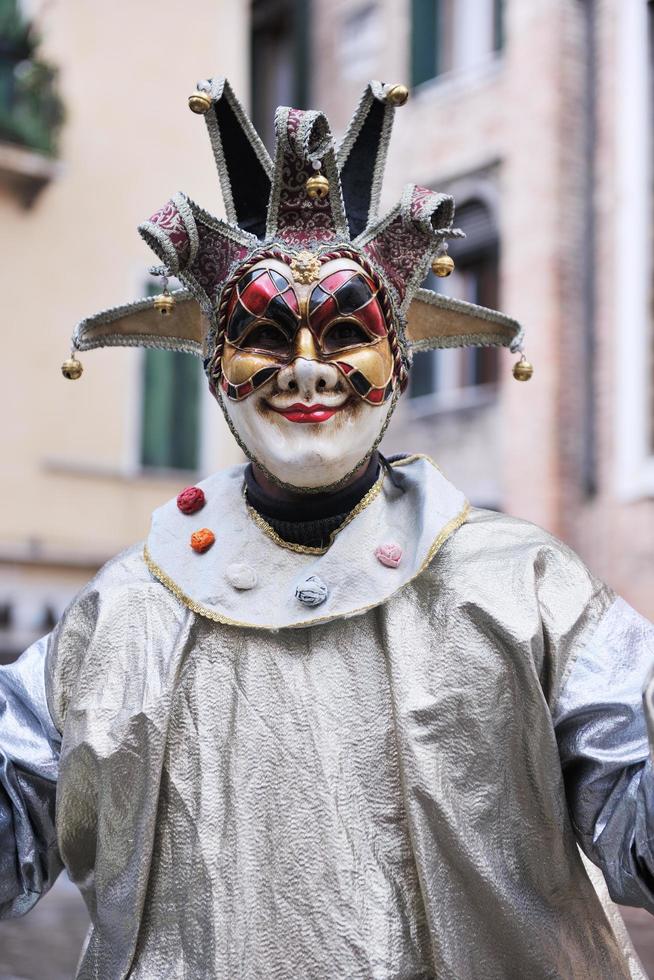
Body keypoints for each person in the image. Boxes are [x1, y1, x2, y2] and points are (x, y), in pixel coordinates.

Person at [1, 77, 653, 980]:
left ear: (401, 360)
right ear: (214, 366)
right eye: (266, 336)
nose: (307, 373)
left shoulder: (528, 590)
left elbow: (638, 814)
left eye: (346, 333)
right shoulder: (120, 616)